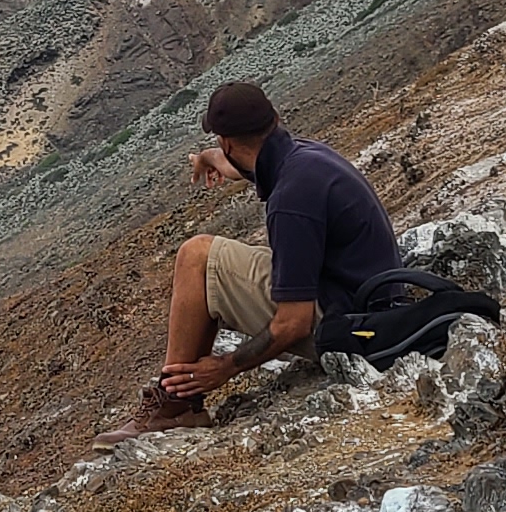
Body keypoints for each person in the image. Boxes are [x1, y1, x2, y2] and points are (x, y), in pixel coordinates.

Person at [100, 80, 401, 445]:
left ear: (228, 141)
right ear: (274, 119)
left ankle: (177, 404)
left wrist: (226, 368)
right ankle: (180, 400)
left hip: (351, 328)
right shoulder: (304, 156)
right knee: (212, 257)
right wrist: (210, 158)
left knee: (196, 256)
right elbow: (246, 165)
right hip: (372, 303)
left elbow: (294, 322)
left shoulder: (290, 199)